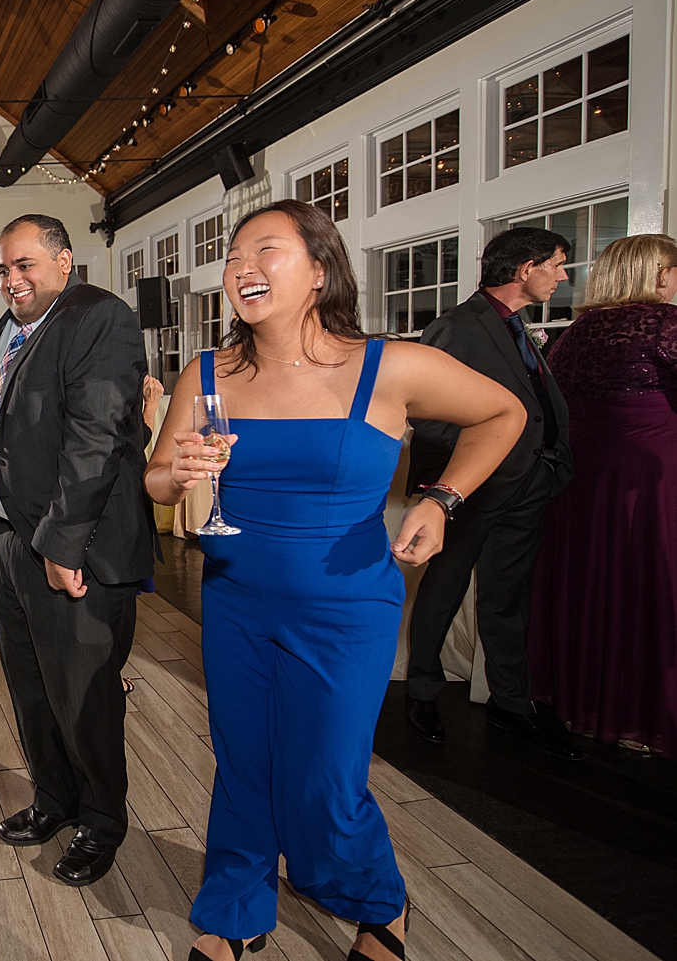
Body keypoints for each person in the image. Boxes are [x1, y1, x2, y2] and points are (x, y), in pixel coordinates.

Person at [144, 201, 525, 961]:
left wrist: (441, 498)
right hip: (234, 601)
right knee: (244, 760)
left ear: (320, 270)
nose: (242, 266)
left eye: (266, 250)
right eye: (233, 255)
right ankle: (238, 905)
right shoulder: (208, 372)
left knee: (325, 774)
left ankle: (379, 900)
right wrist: (171, 471)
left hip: (345, 606)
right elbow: (155, 476)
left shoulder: (391, 365)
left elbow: (504, 414)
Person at [0, 213, 158, 889]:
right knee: (32, 689)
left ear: (65, 261)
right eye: (4, 269)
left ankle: (101, 819)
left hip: (76, 549)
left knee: (84, 697)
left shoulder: (101, 318)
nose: (11, 279)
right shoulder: (9, 331)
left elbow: (95, 438)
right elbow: (22, 423)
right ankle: (54, 799)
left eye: (24, 264)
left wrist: (62, 546)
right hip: (11, 541)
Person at [405, 226, 579, 759]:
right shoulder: (458, 326)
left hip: (530, 484)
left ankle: (510, 702)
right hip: (474, 489)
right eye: (557, 263)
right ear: (526, 268)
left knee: (508, 597)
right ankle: (422, 694)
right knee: (444, 590)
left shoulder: (516, 327)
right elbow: (429, 417)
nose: (563, 275)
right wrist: (451, 487)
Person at [529, 234, 677, 759]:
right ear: (657, 274)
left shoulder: (575, 334)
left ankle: (587, 708)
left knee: (595, 587)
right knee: (649, 590)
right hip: (651, 478)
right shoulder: (666, 324)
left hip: (581, 481)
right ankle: (643, 716)